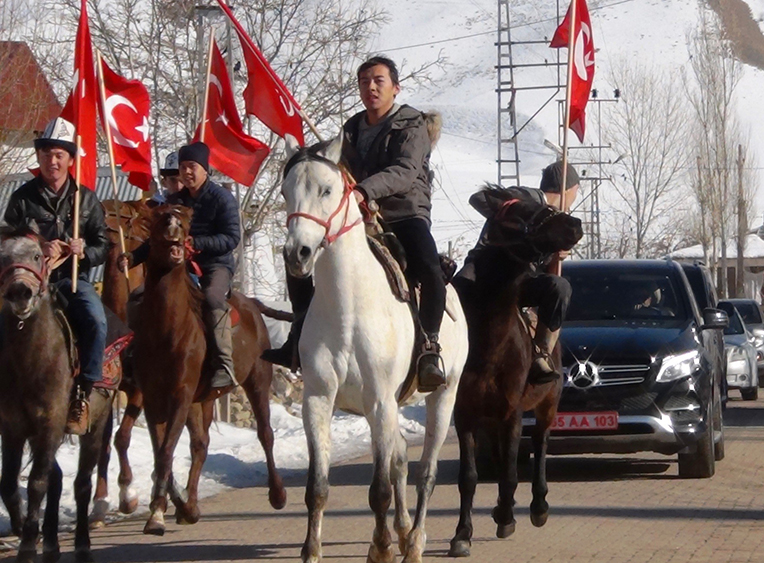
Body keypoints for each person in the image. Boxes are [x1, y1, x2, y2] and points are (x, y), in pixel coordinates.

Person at [263, 56, 448, 392]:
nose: (371, 87)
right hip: (355, 216)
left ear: (395, 86)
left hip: (404, 212)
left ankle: (429, 348)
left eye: (378, 80)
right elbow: (330, 160)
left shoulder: (411, 125)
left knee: (430, 269)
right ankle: (299, 335)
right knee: (300, 256)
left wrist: (363, 191)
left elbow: (405, 171)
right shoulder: (351, 128)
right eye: (364, 82)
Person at [2, 117, 110, 435]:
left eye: (60, 154)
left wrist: (82, 250)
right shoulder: (22, 199)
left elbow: (103, 245)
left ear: (70, 160)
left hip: (73, 280)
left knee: (96, 320)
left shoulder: (86, 199)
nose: (53, 160)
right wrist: (37, 246)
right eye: (48, 153)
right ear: (39, 157)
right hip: (29, 284)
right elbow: (7, 240)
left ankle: (83, 394)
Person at [121, 142, 240, 389]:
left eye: (192, 167)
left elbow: (231, 238)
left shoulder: (222, 199)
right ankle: (133, 353)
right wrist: (134, 257)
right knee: (138, 297)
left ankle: (223, 363)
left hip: (215, 265)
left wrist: (198, 242)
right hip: (179, 265)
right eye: (184, 167)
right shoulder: (174, 201)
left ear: (205, 169)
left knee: (211, 298)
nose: (187, 172)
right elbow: (158, 238)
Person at [452, 161, 580, 384]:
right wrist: (520, 222)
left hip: (521, 280)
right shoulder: (528, 197)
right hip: (486, 269)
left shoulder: (556, 221)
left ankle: (541, 354)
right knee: (456, 294)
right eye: (576, 192)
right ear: (569, 189)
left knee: (559, 287)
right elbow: (478, 198)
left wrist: (554, 255)